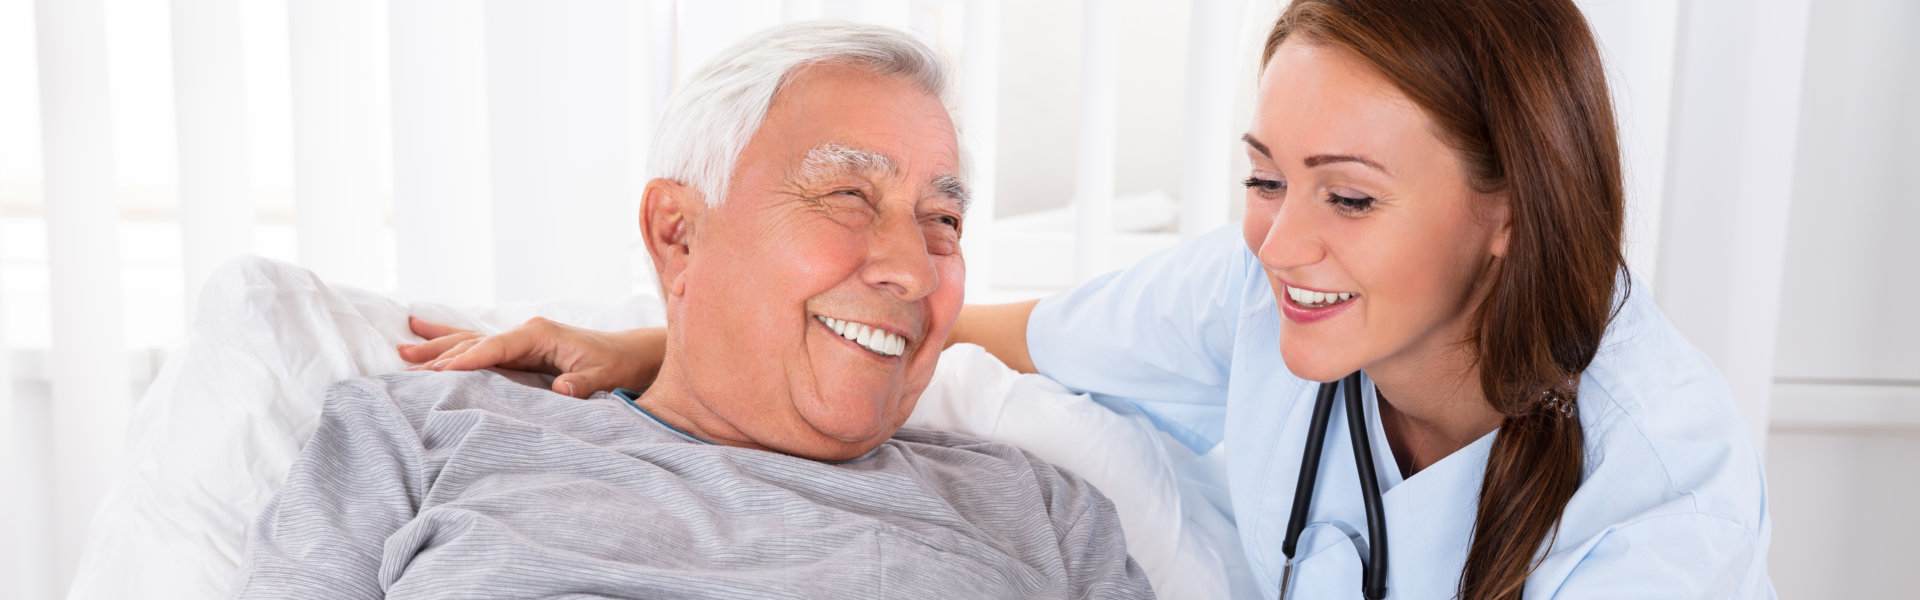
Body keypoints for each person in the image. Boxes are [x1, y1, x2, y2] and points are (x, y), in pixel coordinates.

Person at [408, 1, 1774, 598]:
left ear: (1505, 214)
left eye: (1348, 196)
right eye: (1260, 176)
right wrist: (664, 343)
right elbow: (968, 330)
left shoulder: (1656, 480)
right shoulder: (1259, 291)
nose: (1285, 242)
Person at [240, 21, 1153, 599]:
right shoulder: (418, 437)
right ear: (677, 234)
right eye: (846, 197)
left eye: (943, 220)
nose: (912, 269)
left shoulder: (1038, 512)